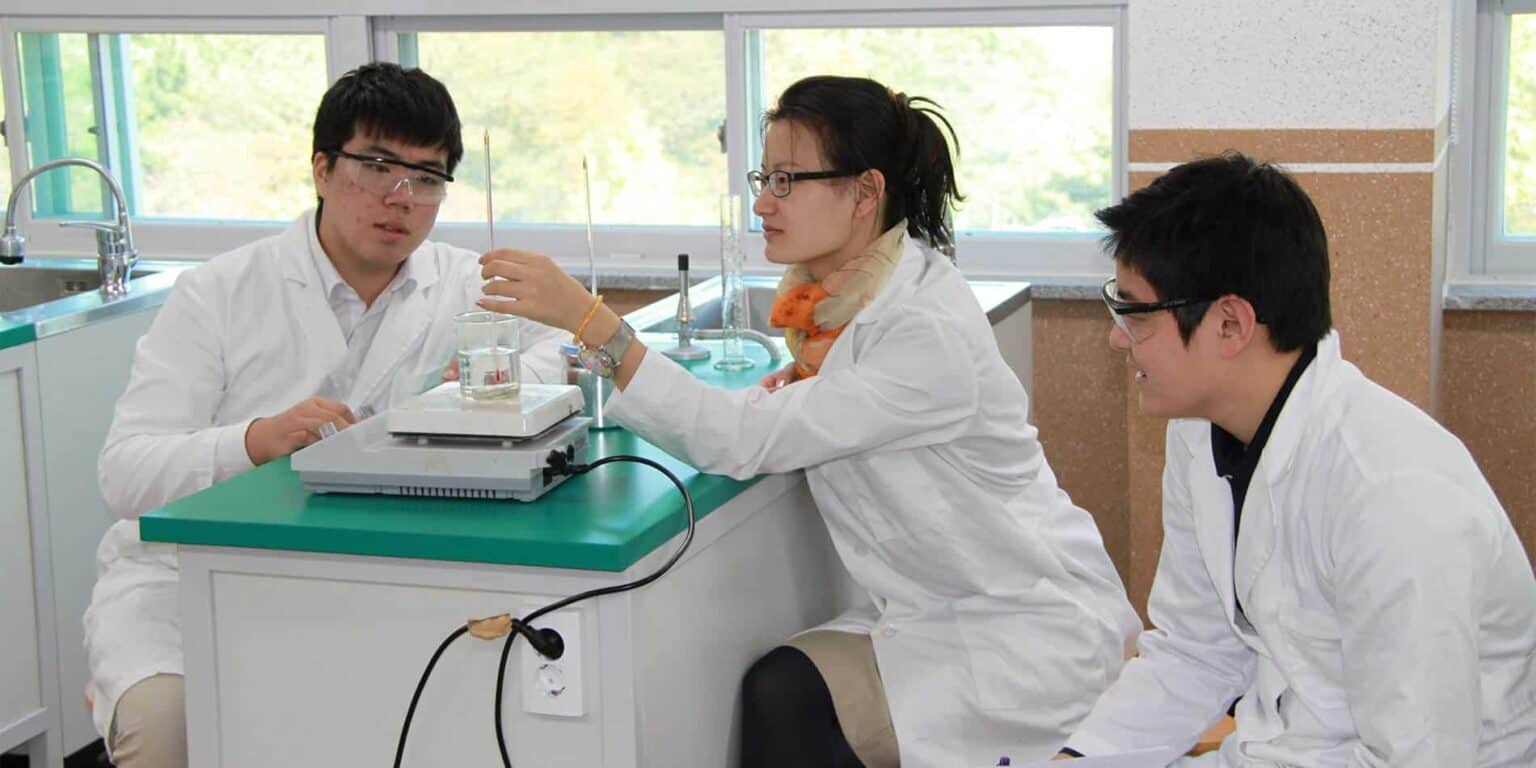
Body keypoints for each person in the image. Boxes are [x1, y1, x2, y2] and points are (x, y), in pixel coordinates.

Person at [477, 74, 1141, 767]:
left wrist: (594, 323)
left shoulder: (923, 329)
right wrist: (799, 389)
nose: (763, 201)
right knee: (786, 686)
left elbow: (737, 439)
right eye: (765, 177)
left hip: (1022, 629)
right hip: (936, 612)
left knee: (785, 697)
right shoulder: (843, 303)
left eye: (788, 180)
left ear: (865, 192)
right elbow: (818, 407)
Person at [84, 63, 564, 768]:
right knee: (168, 729)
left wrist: (502, 379)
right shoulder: (218, 293)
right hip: (187, 584)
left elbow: (572, 348)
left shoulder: (465, 283)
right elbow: (124, 475)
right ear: (321, 168)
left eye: (427, 178)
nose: (401, 198)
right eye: (377, 166)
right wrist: (255, 441)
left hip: (377, 579)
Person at [1053, 153, 1536, 765]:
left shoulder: (1393, 489)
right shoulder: (1201, 432)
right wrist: (1076, 761)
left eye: (1135, 314)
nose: (1116, 337)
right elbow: (1196, 652)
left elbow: (1420, 755)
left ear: (1231, 324)